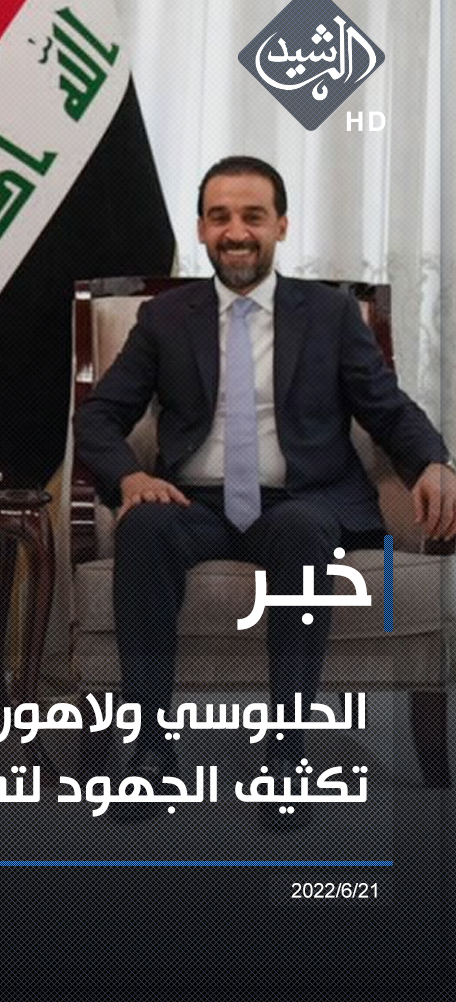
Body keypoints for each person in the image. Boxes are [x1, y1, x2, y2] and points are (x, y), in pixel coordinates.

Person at [73, 156, 455, 829]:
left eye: (253, 215)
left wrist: (434, 463)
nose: (236, 231)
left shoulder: (331, 315)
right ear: (201, 228)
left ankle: (286, 755)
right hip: (194, 502)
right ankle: (153, 750)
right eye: (220, 216)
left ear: (281, 225)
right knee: (143, 527)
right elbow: (100, 417)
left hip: (301, 501)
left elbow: (388, 409)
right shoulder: (166, 318)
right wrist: (131, 478)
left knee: (304, 530)